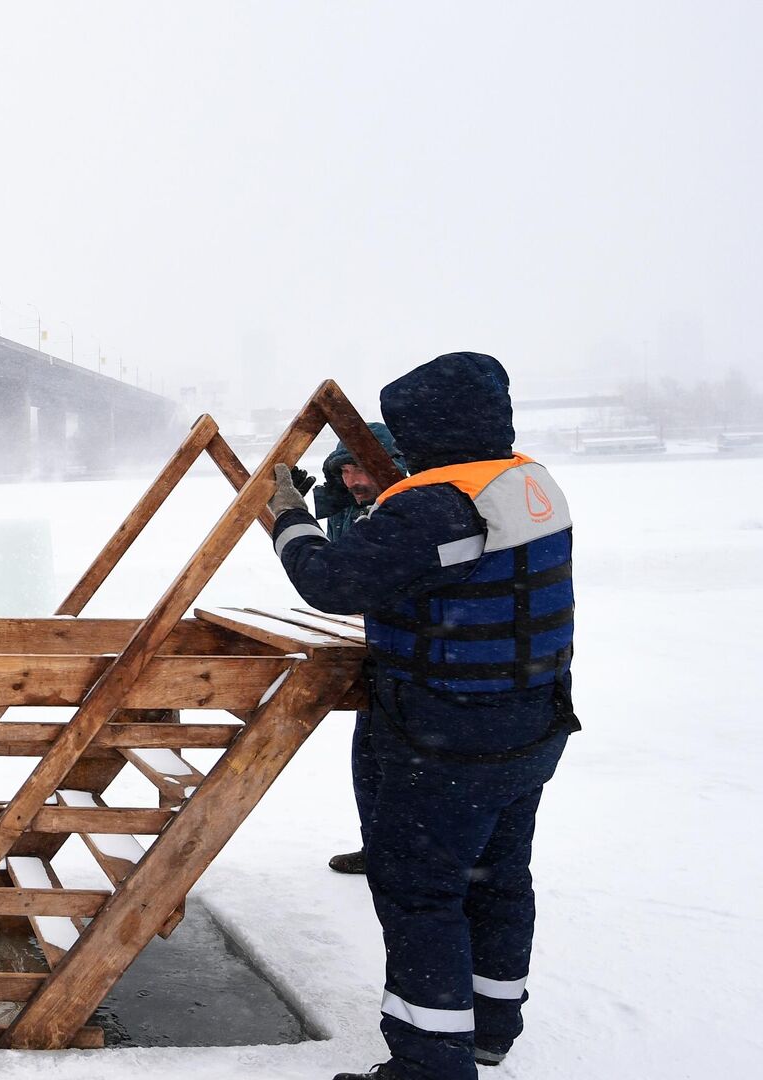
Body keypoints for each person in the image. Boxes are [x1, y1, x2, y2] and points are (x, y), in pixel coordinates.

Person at [265, 353, 577, 1080]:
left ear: (427, 429)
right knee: (498, 877)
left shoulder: (433, 506)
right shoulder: (529, 482)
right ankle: (492, 1027)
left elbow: (332, 579)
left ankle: (431, 1064)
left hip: (447, 737)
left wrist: (285, 514)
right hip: (531, 723)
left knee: (422, 894)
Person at [308, 423, 406, 877]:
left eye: (363, 467)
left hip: (415, 656)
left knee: (402, 761)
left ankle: (407, 857)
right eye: (345, 470)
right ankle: (381, 848)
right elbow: (335, 574)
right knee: (368, 754)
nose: (354, 480)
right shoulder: (349, 506)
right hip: (376, 647)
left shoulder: (408, 510)